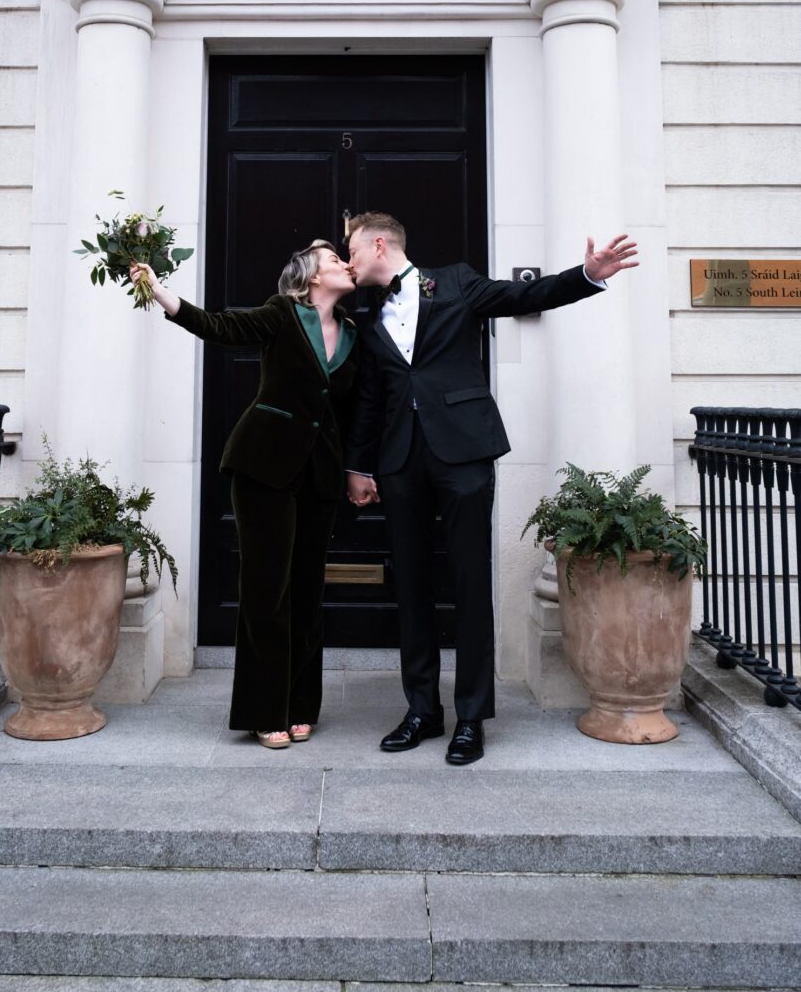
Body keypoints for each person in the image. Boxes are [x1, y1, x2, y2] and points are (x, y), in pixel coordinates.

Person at [344, 212, 638, 765]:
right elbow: (368, 398)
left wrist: (588, 274)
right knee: (410, 585)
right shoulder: (369, 313)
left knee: (470, 581)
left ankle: (471, 718)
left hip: (463, 455)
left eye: (352, 250)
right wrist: (358, 467)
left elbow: (521, 295)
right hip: (400, 460)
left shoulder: (455, 281)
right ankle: (422, 711)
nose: (348, 260)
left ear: (377, 243)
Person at [130, 242, 358, 749]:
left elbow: (351, 407)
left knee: (306, 592)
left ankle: (300, 704)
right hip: (263, 464)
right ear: (311, 276)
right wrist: (161, 293)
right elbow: (222, 328)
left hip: (319, 474)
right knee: (266, 590)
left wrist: (356, 470)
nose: (345, 262)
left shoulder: (353, 333)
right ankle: (263, 709)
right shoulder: (282, 314)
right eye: (334, 259)